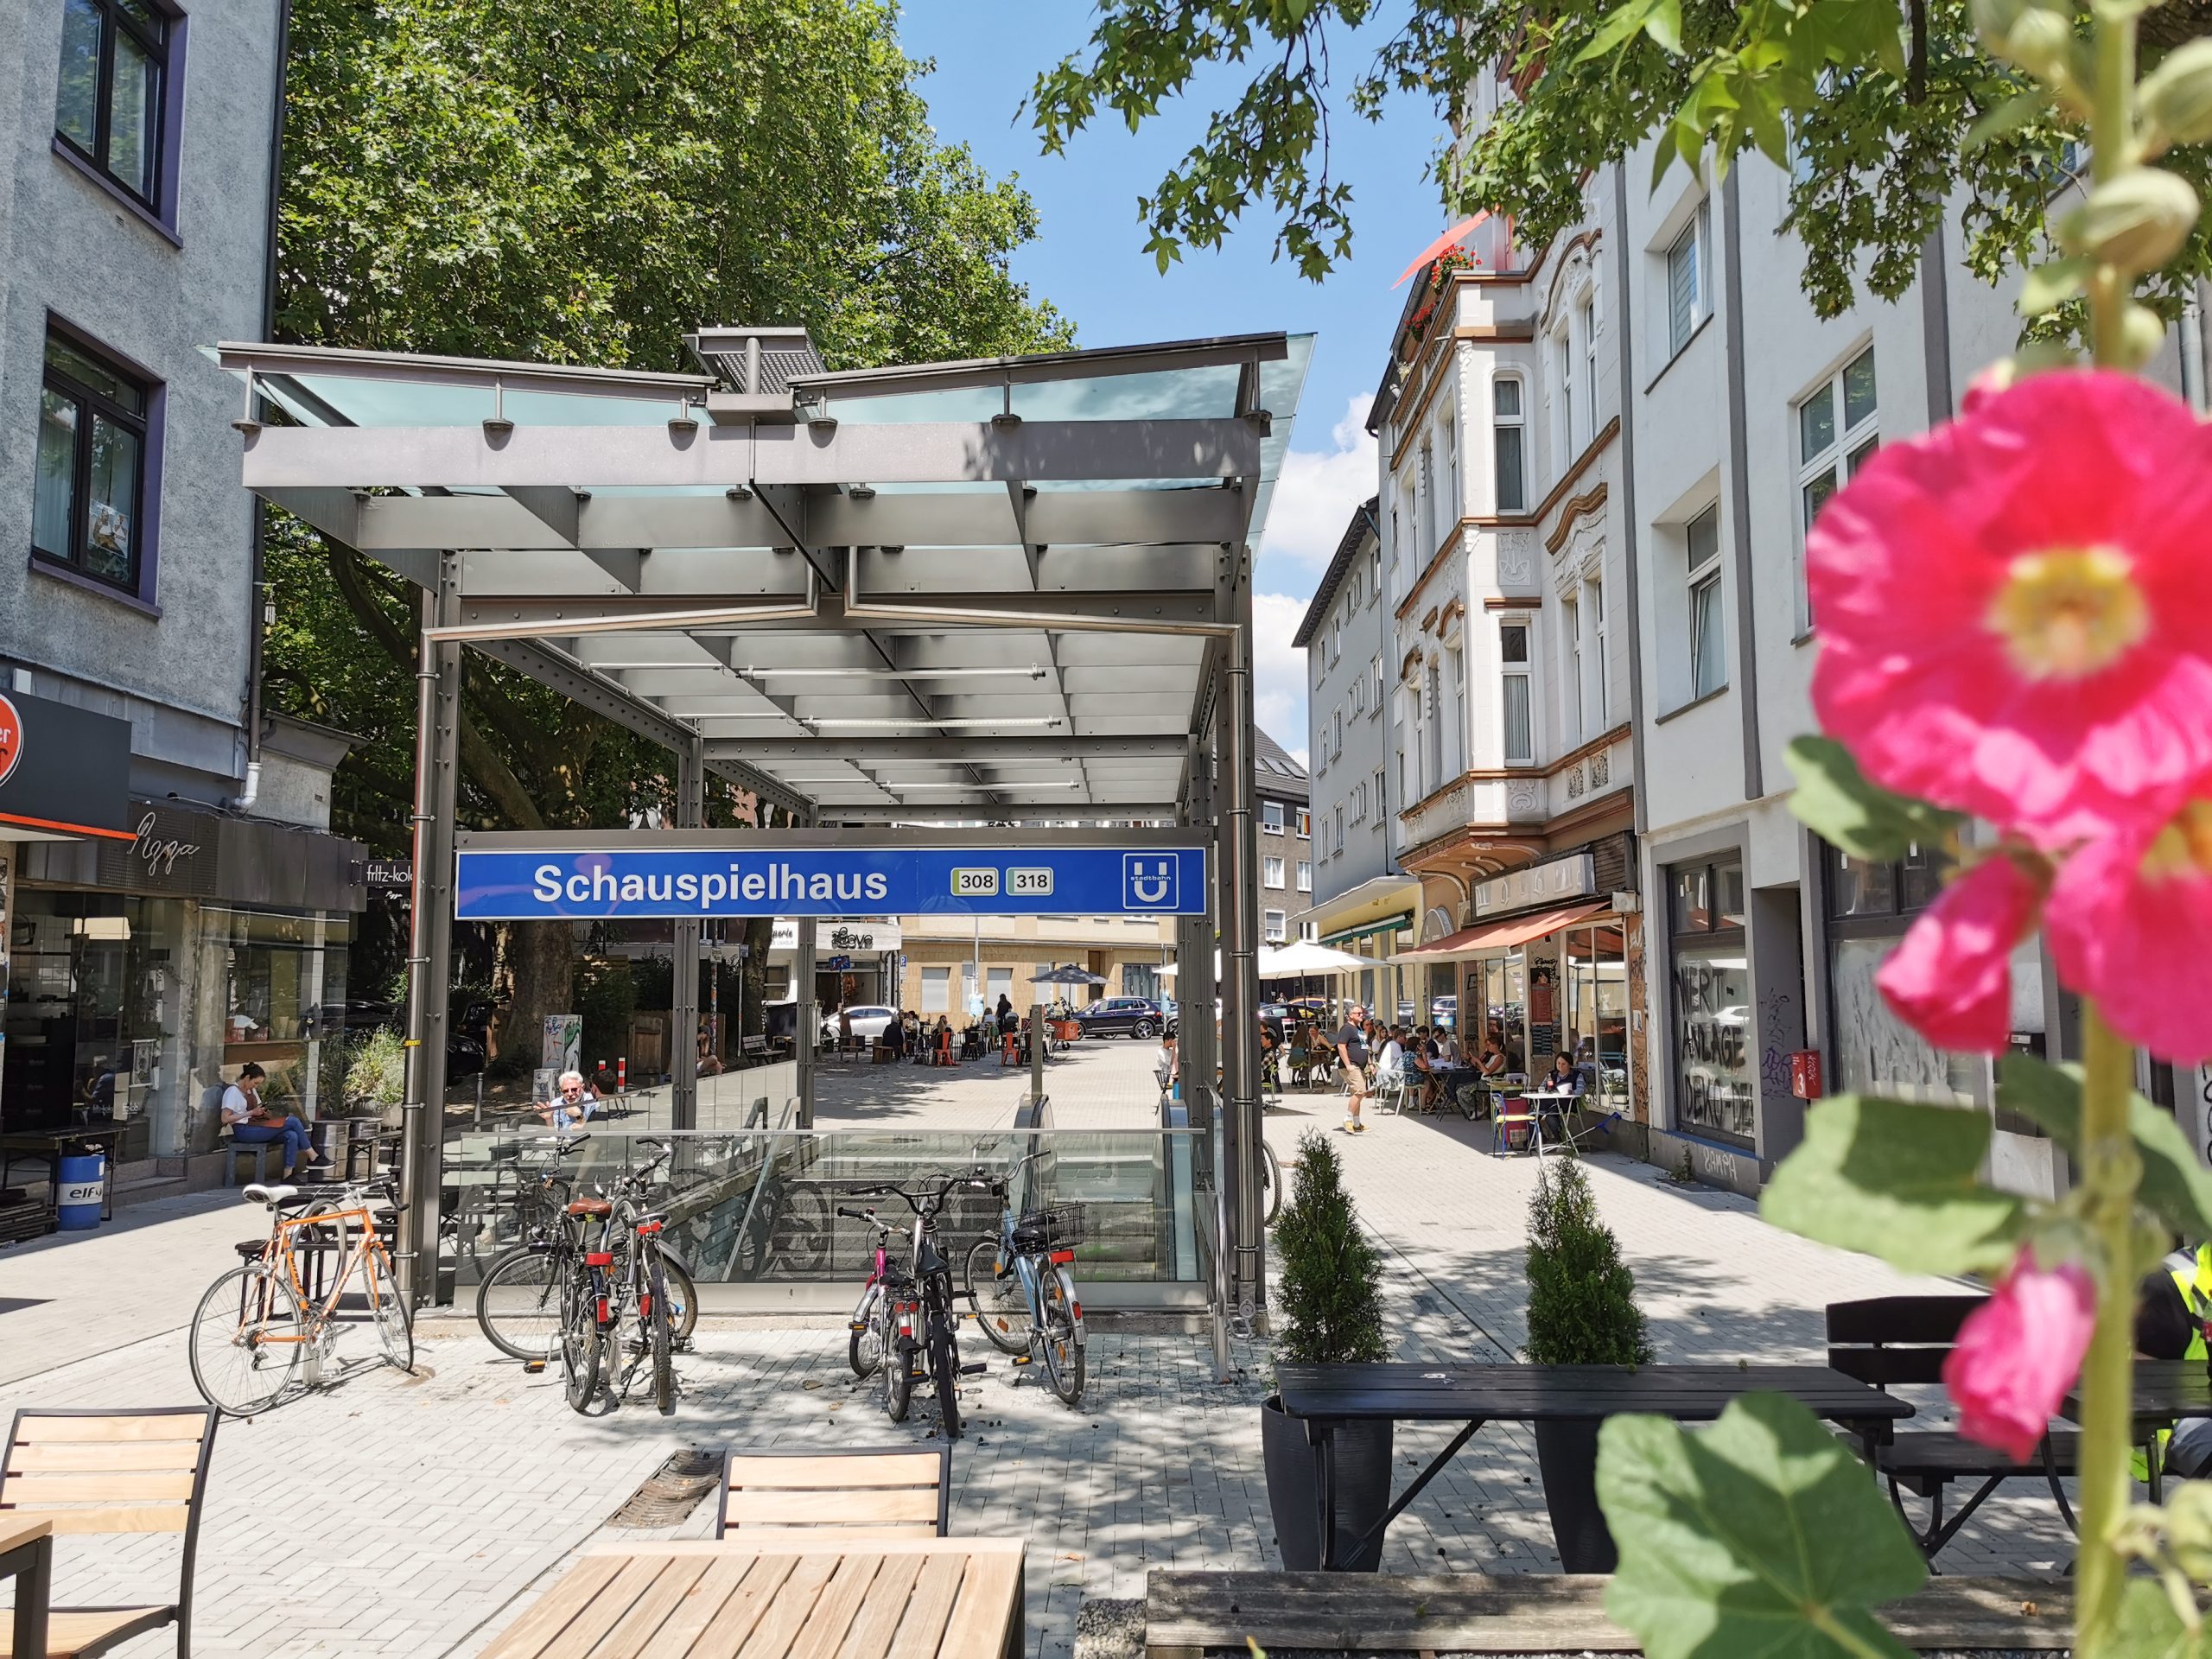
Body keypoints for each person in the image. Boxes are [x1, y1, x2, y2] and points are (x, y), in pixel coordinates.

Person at [221, 1063, 324, 1178]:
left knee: (291, 1135)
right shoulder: (232, 1092)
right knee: (293, 1121)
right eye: (255, 1083)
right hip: (244, 1131)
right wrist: (251, 1113)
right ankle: (313, 1156)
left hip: (255, 1125)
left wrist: (262, 1112)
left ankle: (288, 1176)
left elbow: (256, 1109)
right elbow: (225, 1118)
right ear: (247, 1078)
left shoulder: (250, 1091)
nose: (256, 1087)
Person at [1332, 1004, 1372, 1134]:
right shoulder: (1347, 1029)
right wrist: (1348, 1064)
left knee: (1357, 1094)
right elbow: (1341, 1047)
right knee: (1360, 1091)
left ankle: (1357, 1123)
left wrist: (1370, 1064)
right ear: (1350, 1015)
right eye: (1358, 1013)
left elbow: (1364, 1047)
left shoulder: (1358, 1029)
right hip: (1351, 1066)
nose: (1361, 1015)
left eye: (1362, 1013)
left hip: (1360, 1066)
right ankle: (1347, 1119)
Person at [534, 1069, 598, 1132]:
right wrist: (549, 1119)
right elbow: (554, 1134)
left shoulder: (592, 1103)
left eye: (574, 1090)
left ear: (582, 1087)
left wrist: (579, 1116)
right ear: (561, 1091)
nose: (570, 1094)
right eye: (565, 1091)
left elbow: (594, 1131)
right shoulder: (556, 1103)